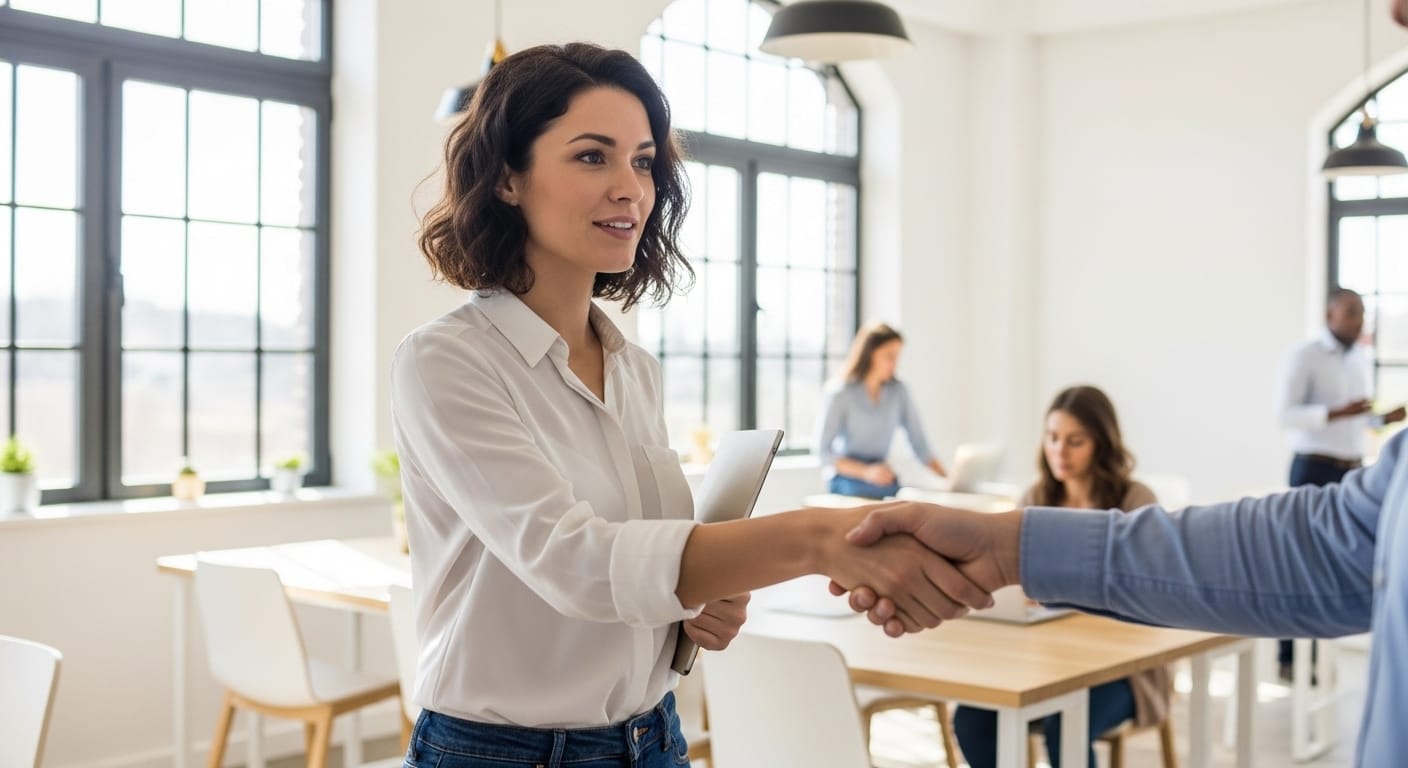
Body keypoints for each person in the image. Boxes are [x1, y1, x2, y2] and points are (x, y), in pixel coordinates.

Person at [394, 42, 990, 768]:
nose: (630, 189)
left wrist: (702, 596)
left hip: (653, 739)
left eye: (643, 161)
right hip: (501, 754)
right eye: (593, 157)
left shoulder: (632, 369)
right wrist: (814, 539)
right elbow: (576, 561)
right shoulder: (447, 360)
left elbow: (647, 558)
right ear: (510, 178)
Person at [952, 386, 1167, 768]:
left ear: (1101, 444)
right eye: (1052, 438)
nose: (1059, 451)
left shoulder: (1135, 501)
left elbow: (1151, 592)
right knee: (973, 718)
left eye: (1075, 441)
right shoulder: (1035, 497)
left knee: (1063, 723)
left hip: (1126, 672)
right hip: (1044, 661)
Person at [1275, 287, 1405, 680]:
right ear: (1330, 313)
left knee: (1349, 561)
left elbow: (1359, 418)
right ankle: (1290, 659)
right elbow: (1286, 415)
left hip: (1352, 470)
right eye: (1351, 312)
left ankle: (1327, 653)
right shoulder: (1305, 355)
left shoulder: (1361, 360)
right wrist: (1335, 412)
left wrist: (1383, 420)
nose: (1359, 319)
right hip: (1313, 468)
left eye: (1362, 312)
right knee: (1302, 562)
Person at [816, 322, 947, 499]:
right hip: (847, 478)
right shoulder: (840, 393)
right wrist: (866, 472)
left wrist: (949, 481)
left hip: (882, 478)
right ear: (869, 354)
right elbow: (823, 452)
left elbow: (920, 444)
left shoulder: (899, 391)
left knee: (908, 501)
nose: (895, 363)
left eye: (897, 356)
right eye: (889, 356)